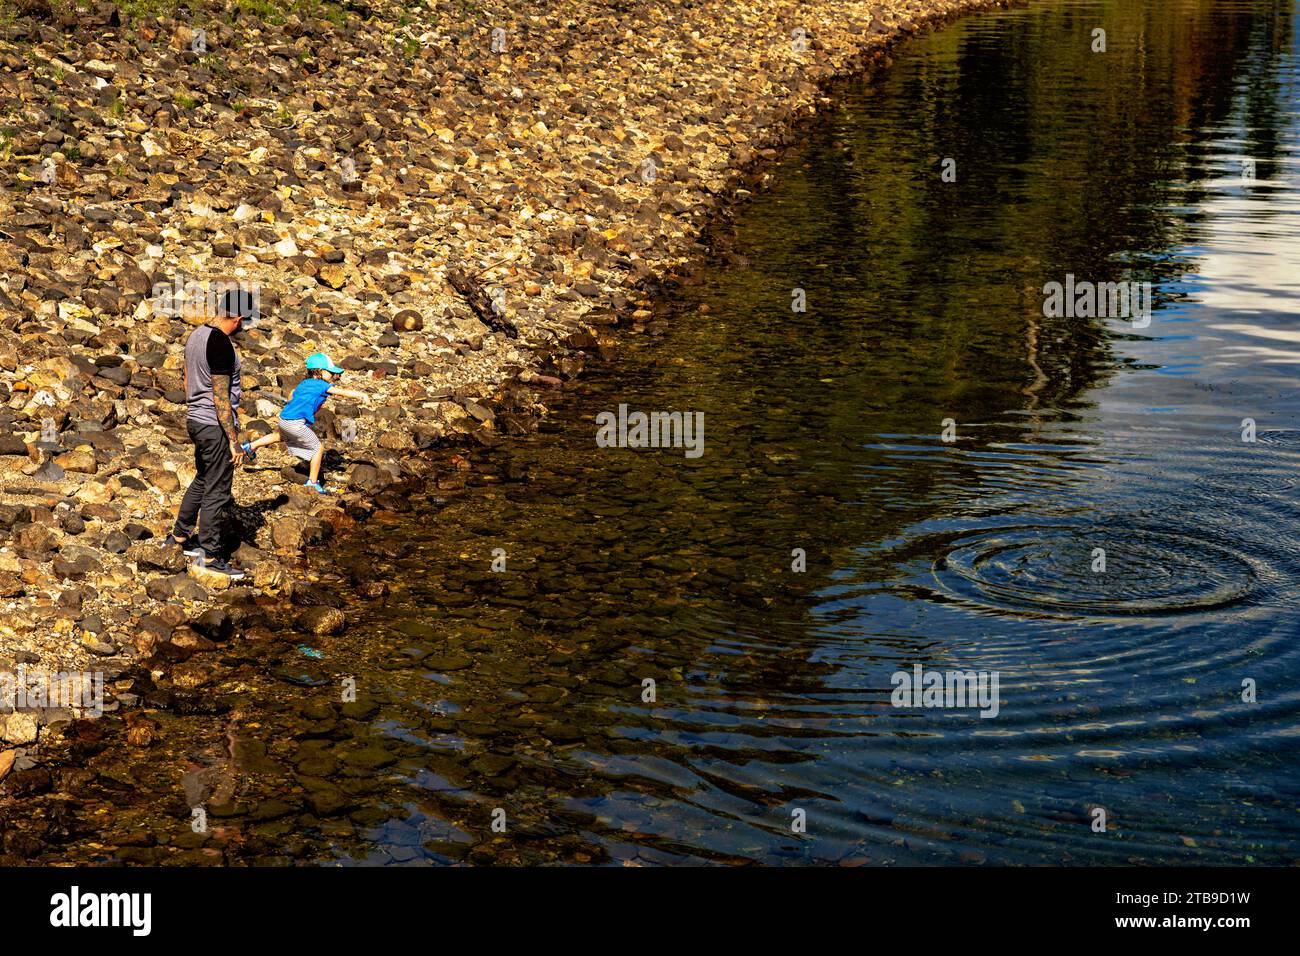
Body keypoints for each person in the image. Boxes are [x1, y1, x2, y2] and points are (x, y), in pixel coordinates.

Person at [168, 288, 255, 579]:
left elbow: (186, 378)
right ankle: (209, 555)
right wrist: (233, 441)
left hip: (196, 419)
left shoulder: (197, 335)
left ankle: (180, 537)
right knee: (218, 489)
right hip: (214, 424)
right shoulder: (220, 344)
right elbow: (220, 396)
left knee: (204, 478)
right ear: (239, 317)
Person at [241, 353, 366, 494]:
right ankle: (312, 483)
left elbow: (291, 395)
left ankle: (250, 446)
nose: (333, 376)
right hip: (295, 424)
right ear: (319, 371)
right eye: (330, 372)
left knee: (279, 436)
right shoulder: (321, 385)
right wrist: (361, 395)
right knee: (318, 449)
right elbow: (341, 392)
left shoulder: (304, 383)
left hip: (284, 419)